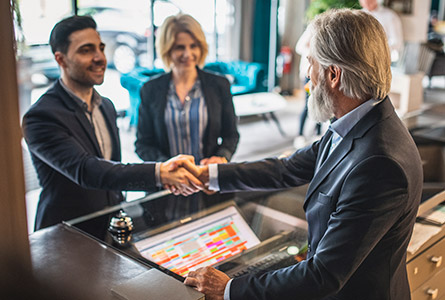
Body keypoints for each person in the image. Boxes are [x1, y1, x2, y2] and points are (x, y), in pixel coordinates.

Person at [178, 9, 423, 299]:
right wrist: (209, 174)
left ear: (334, 74)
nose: (307, 74)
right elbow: (286, 169)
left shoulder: (379, 163)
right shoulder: (358, 121)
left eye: (310, 63)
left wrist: (229, 288)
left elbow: (323, 275)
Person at [22, 15, 202, 231]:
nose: (100, 58)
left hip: (110, 225)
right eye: (86, 50)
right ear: (60, 59)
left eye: (100, 48)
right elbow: (87, 170)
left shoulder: (106, 105)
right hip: (66, 232)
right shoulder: (40, 117)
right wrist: (159, 172)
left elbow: (112, 166)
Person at [135, 14, 239, 166]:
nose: (188, 54)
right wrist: (166, 165)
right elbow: (143, 144)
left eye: (193, 46)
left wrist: (222, 157)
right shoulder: (150, 89)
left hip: (208, 181)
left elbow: (231, 135)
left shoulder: (220, 85)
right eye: (180, 47)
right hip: (168, 182)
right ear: (167, 49)